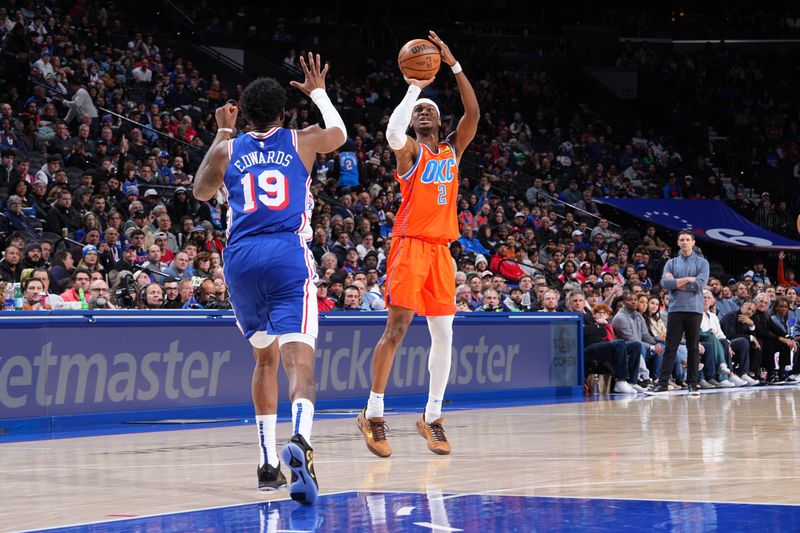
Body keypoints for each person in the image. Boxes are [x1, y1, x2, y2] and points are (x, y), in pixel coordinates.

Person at [193, 53, 346, 504]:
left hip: (239, 259)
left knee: (265, 360)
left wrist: (222, 130)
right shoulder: (301, 139)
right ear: (282, 113)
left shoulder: (228, 147)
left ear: (243, 110)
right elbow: (339, 132)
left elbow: (200, 190)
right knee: (301, 362)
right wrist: (317, 90)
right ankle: (299, 440)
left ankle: (266, 464)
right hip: (285, 253)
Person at [357, 31, 479, 458]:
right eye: (419, 112)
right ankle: (373, 412)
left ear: (439, 122)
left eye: (430, 110)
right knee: (396, 329)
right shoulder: (409, 152)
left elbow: (473, 114)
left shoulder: (451, 151)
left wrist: (454, 65)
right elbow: (392, 131)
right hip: (409, 246)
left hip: (441, 253)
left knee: (444, 334)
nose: (424, 114)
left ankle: (432, 418)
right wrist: (414, 89)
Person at [651, 230, 710, 395]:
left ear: (693, 242)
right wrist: (688, 279)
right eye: (681, 239)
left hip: (694, 310)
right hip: (675, 309)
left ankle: (693, 383)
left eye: (687, 239)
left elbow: (699, 285)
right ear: (678, 243)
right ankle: (663, 383)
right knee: (670, 347)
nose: (684, 242)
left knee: (693, 348)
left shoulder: (702, 263)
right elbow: (664, 283)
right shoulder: (671, 263)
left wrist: (676, 283)